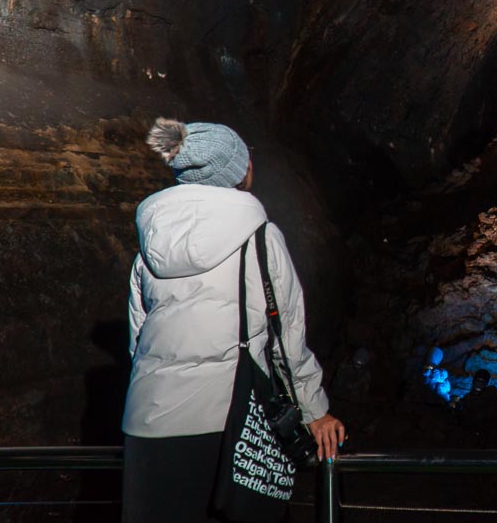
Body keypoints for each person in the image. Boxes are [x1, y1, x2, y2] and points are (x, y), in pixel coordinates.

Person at [122, 118, 345, 522]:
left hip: (147, 422)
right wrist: (315, 411)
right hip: (225, 419)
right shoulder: (259, 238)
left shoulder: (150, 242)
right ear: (238, 169)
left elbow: (140, 341)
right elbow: (286, 336)